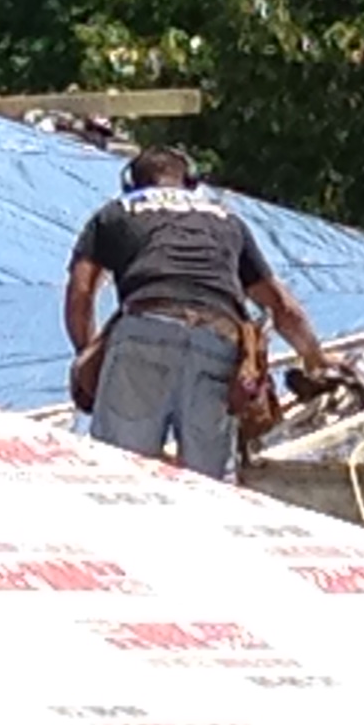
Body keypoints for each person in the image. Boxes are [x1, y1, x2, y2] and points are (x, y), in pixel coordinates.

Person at [64, 146, 326, 479]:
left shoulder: (114, 213)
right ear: (191, 183)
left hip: (145, 328)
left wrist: (86, 357)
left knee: (120, 473)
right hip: (219, 338)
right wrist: (316, 360)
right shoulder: (227, 220)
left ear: (132, 183)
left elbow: (80, 293)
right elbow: (282, 306)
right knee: (210, 484)